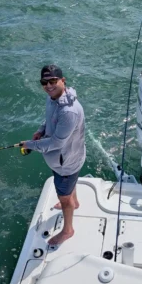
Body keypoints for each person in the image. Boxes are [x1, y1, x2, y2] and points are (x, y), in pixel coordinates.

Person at [21, 65, 86, 246]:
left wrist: (30, 145)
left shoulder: (69, 112)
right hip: (66, 158)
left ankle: (68, 230)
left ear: (62, 81)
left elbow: (57, 143)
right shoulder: (53, 98)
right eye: (44, 82)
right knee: (69, 187)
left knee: (64, 199)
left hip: (66, 162)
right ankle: (76, 202)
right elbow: (49, 119)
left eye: (52, 81)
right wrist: (40, 131)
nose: (48, 86)